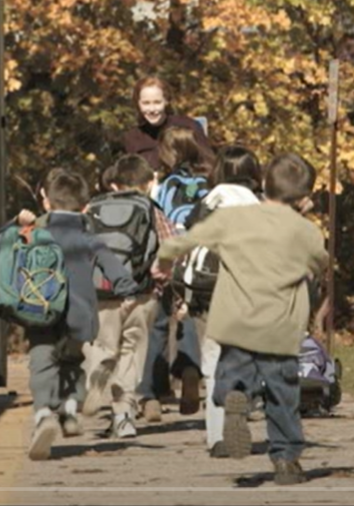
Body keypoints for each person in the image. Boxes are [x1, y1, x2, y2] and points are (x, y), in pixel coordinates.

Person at [155, 153, 326, 486]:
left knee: (232, 369)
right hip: (280, 325)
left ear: (264, 185)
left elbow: (184, 241)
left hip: (234, 320)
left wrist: (163, 261)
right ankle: (286, 459)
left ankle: (234, 397)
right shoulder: (304, 230)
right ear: (304, 197)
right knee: (282, 393)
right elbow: (319, 262)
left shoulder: (234, 220)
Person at [0, 168, 141, 461]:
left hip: (41, 311)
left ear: (46, 202)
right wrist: (129, 292)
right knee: (73, 364)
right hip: (81, 317)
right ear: (85, 206)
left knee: (42, 364)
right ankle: (71, 409)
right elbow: (115, 270)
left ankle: (45, 413)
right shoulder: (89, 238)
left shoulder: (35, 231)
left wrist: (15, 223)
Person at [179, 144, 262, 457]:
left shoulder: (209, 199)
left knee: (212, 359)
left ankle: (216, 437)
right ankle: (240, 398)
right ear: (254, 173)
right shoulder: (258, 202)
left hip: (206, 287)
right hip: (245, 287)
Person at [82, 155, 173, 438]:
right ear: (148, 184)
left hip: (102, 292)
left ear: (114, 182)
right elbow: (169, 247)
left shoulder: (93, 207)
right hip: (142, 292)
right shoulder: (151, 207)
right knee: (132, 353)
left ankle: (98, 374)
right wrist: (162, 281)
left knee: (105, 346)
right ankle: (124, 419)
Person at [139, 126, 213, 421]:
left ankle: (152, 393)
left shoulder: (164, 184)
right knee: (190, 316)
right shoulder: (206, 183)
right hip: (199, 255)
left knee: (158, 322)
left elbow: (157, 217)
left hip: (170, 252)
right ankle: (192, 369)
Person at [122, 76, 214, 174]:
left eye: (157, 102)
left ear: (166, 101)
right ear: (138, 104)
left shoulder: (188, 127)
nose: (152, 109)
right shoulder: (132, 138)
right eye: (146, 103)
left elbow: (208, 165)